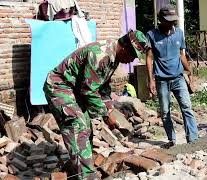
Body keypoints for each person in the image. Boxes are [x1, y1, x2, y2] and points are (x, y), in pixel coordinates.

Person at [43, 30, 149, 179]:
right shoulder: (100, 55)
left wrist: (110, 109)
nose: (132, 60)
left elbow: (103, 89)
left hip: (76, 89)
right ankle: (86, 175)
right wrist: (106, 115)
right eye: (133, 56)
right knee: (77, 126)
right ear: (125, 48)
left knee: (86, 126)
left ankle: (80, 168)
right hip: (59, 86)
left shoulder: (114, 59)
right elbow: (89, 92)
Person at [146, 5, 198, 149]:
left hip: (178, 78)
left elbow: (182, 55)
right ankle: (172, 140)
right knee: (165, 112)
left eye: (173, 21)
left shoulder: (179, 33)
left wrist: (190, 72)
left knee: (187, 107)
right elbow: (149, 58)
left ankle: (193, 139)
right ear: (161, 20)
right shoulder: (152, 35)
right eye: (168, 20)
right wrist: (150, 80)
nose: (171, 23)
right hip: (161, 80)